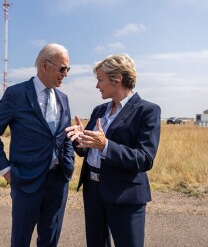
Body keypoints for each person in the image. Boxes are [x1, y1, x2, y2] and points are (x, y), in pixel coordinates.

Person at [65, 54, 161, 247]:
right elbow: (86, 151)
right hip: (93, 191)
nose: (97, 86)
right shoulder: (99, 110)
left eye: (100, 80)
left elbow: (144, 159)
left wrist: (105, 145)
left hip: (124, 194)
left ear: (117, 79)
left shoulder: (147, 110)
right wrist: (79, 137)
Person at [0, 43, 75, 247]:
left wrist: (68, 163)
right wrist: (6, 170)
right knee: (21, 240)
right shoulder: (16, 94)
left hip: (58, 181)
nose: (66, 74)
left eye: (67, 69)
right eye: (62, 69)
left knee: (50, 240)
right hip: (26, 180)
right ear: (45, 65)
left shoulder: (64, 98)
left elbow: (64, 136)